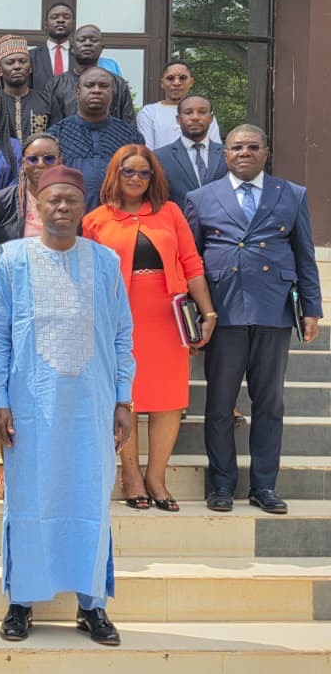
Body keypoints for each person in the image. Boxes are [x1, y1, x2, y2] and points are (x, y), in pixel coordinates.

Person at [0, 164, 134, 646]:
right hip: (30, 407)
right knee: (29, 500)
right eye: (54, 200)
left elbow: (122, 334)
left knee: (90, 499)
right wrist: (0, 400)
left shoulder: (106, 261)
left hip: (92, 407)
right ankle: (21, 603)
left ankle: (92, 606)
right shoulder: (14, 259)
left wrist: (124, 398)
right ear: (39, 205)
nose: (62, 207)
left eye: (71, 199)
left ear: (83, 206)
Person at [185, 125, 323, 515]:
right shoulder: (200, 197)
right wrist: (195, 314)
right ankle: (221, 485)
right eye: (236, 147)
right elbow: (191, 260)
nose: (244, 152)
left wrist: (311, 309)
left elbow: (304, 255)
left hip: (272, 307)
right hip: (223, 309)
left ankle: (264, 486)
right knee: (219, 403)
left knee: (270, 403)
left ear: (265, 152)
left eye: (252, 146)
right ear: (224, 154)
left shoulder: (292, 194)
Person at [83, 145, 216, 512]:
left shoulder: (170, 212)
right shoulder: (95, 220)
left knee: (169, 399)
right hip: (118, 317)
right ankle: (131, 476)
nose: (137, 178)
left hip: (168, 316)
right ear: (115, 173)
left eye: (144, 173)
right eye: (129, 171)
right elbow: (87, 276)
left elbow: (191, 263)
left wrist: (208, 312)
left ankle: (157, 477)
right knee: (126, 395)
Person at [47, 68, 144, 211]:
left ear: (112, 93)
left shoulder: (130, 136)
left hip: (118, 217)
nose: (96, 90)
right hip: (69, 216)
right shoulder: (56, 135)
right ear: (77, 92)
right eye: (90, 85)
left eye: (103, 86)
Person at [44, 25, 137, 127]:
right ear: (72, 48)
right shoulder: (55, 84)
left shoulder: (118, 84)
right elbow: (48, 127)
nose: (87, 43)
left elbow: (129, 126)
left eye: (94, 40)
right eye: (82, 40)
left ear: (102, 48)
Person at [0, 133, 63, 253]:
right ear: (23, 163)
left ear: (60, 161)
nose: (41, 164)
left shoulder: (70, 201)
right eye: (33, 159)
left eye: (49, 158)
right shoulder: (0, 202)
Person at [157, 95, 228, 207]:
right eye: (188, 112)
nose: (195, 117)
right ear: (178, 119)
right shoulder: (160, 157)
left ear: (211, 118)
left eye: (202, 112)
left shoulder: (227, 154)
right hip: (179, 217)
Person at [137, 60, 222, 150]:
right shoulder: (149, 113)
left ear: (191, 82)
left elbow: (215, 150)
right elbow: (147, 152)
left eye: (183, 78)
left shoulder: (203, 112)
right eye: (170, 78)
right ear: (162, 83)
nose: (176, 83)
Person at [0, 36, 51, 145]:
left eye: (22, 61)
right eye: (10, 63)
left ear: (30, 68)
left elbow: (55, 138)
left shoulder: (47, 100)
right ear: (0, 71)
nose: (17, 66)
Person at [30, 2, 75, 90]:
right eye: (55, 17)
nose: (61, 20)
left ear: (73, 24)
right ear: (46, 24)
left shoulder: (80, 56)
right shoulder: (31, 56)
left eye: (66, 17)